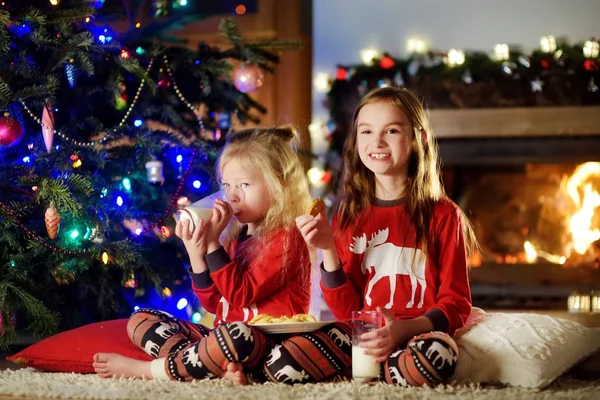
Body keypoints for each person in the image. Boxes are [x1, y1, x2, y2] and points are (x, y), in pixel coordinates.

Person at [93, 126, 315, 384]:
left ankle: (155, 370)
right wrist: (195, 252)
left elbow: (241, 294)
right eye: (227, 184)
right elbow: (214, 304)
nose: (231, 195)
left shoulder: (287, 237)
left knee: (237, 335)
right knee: (141, 320)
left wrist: (212, 244)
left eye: (244, 184)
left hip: (263, 343)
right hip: (222, 339)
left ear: (279, 186)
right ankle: (213, 365)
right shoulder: (235, 235)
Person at [296, 86, 479, 386]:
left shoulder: (444, 215)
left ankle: (387, 368)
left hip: (419, 335)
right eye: (366, 132)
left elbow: (456, 302)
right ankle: (383, 369)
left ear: (417, 138)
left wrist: (403, 330)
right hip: (363, 337)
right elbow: (346, 310)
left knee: (436, 356)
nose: (376, 142)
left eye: (391, 130)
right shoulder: (349, 214)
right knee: (289, 356)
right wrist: (327, 249)